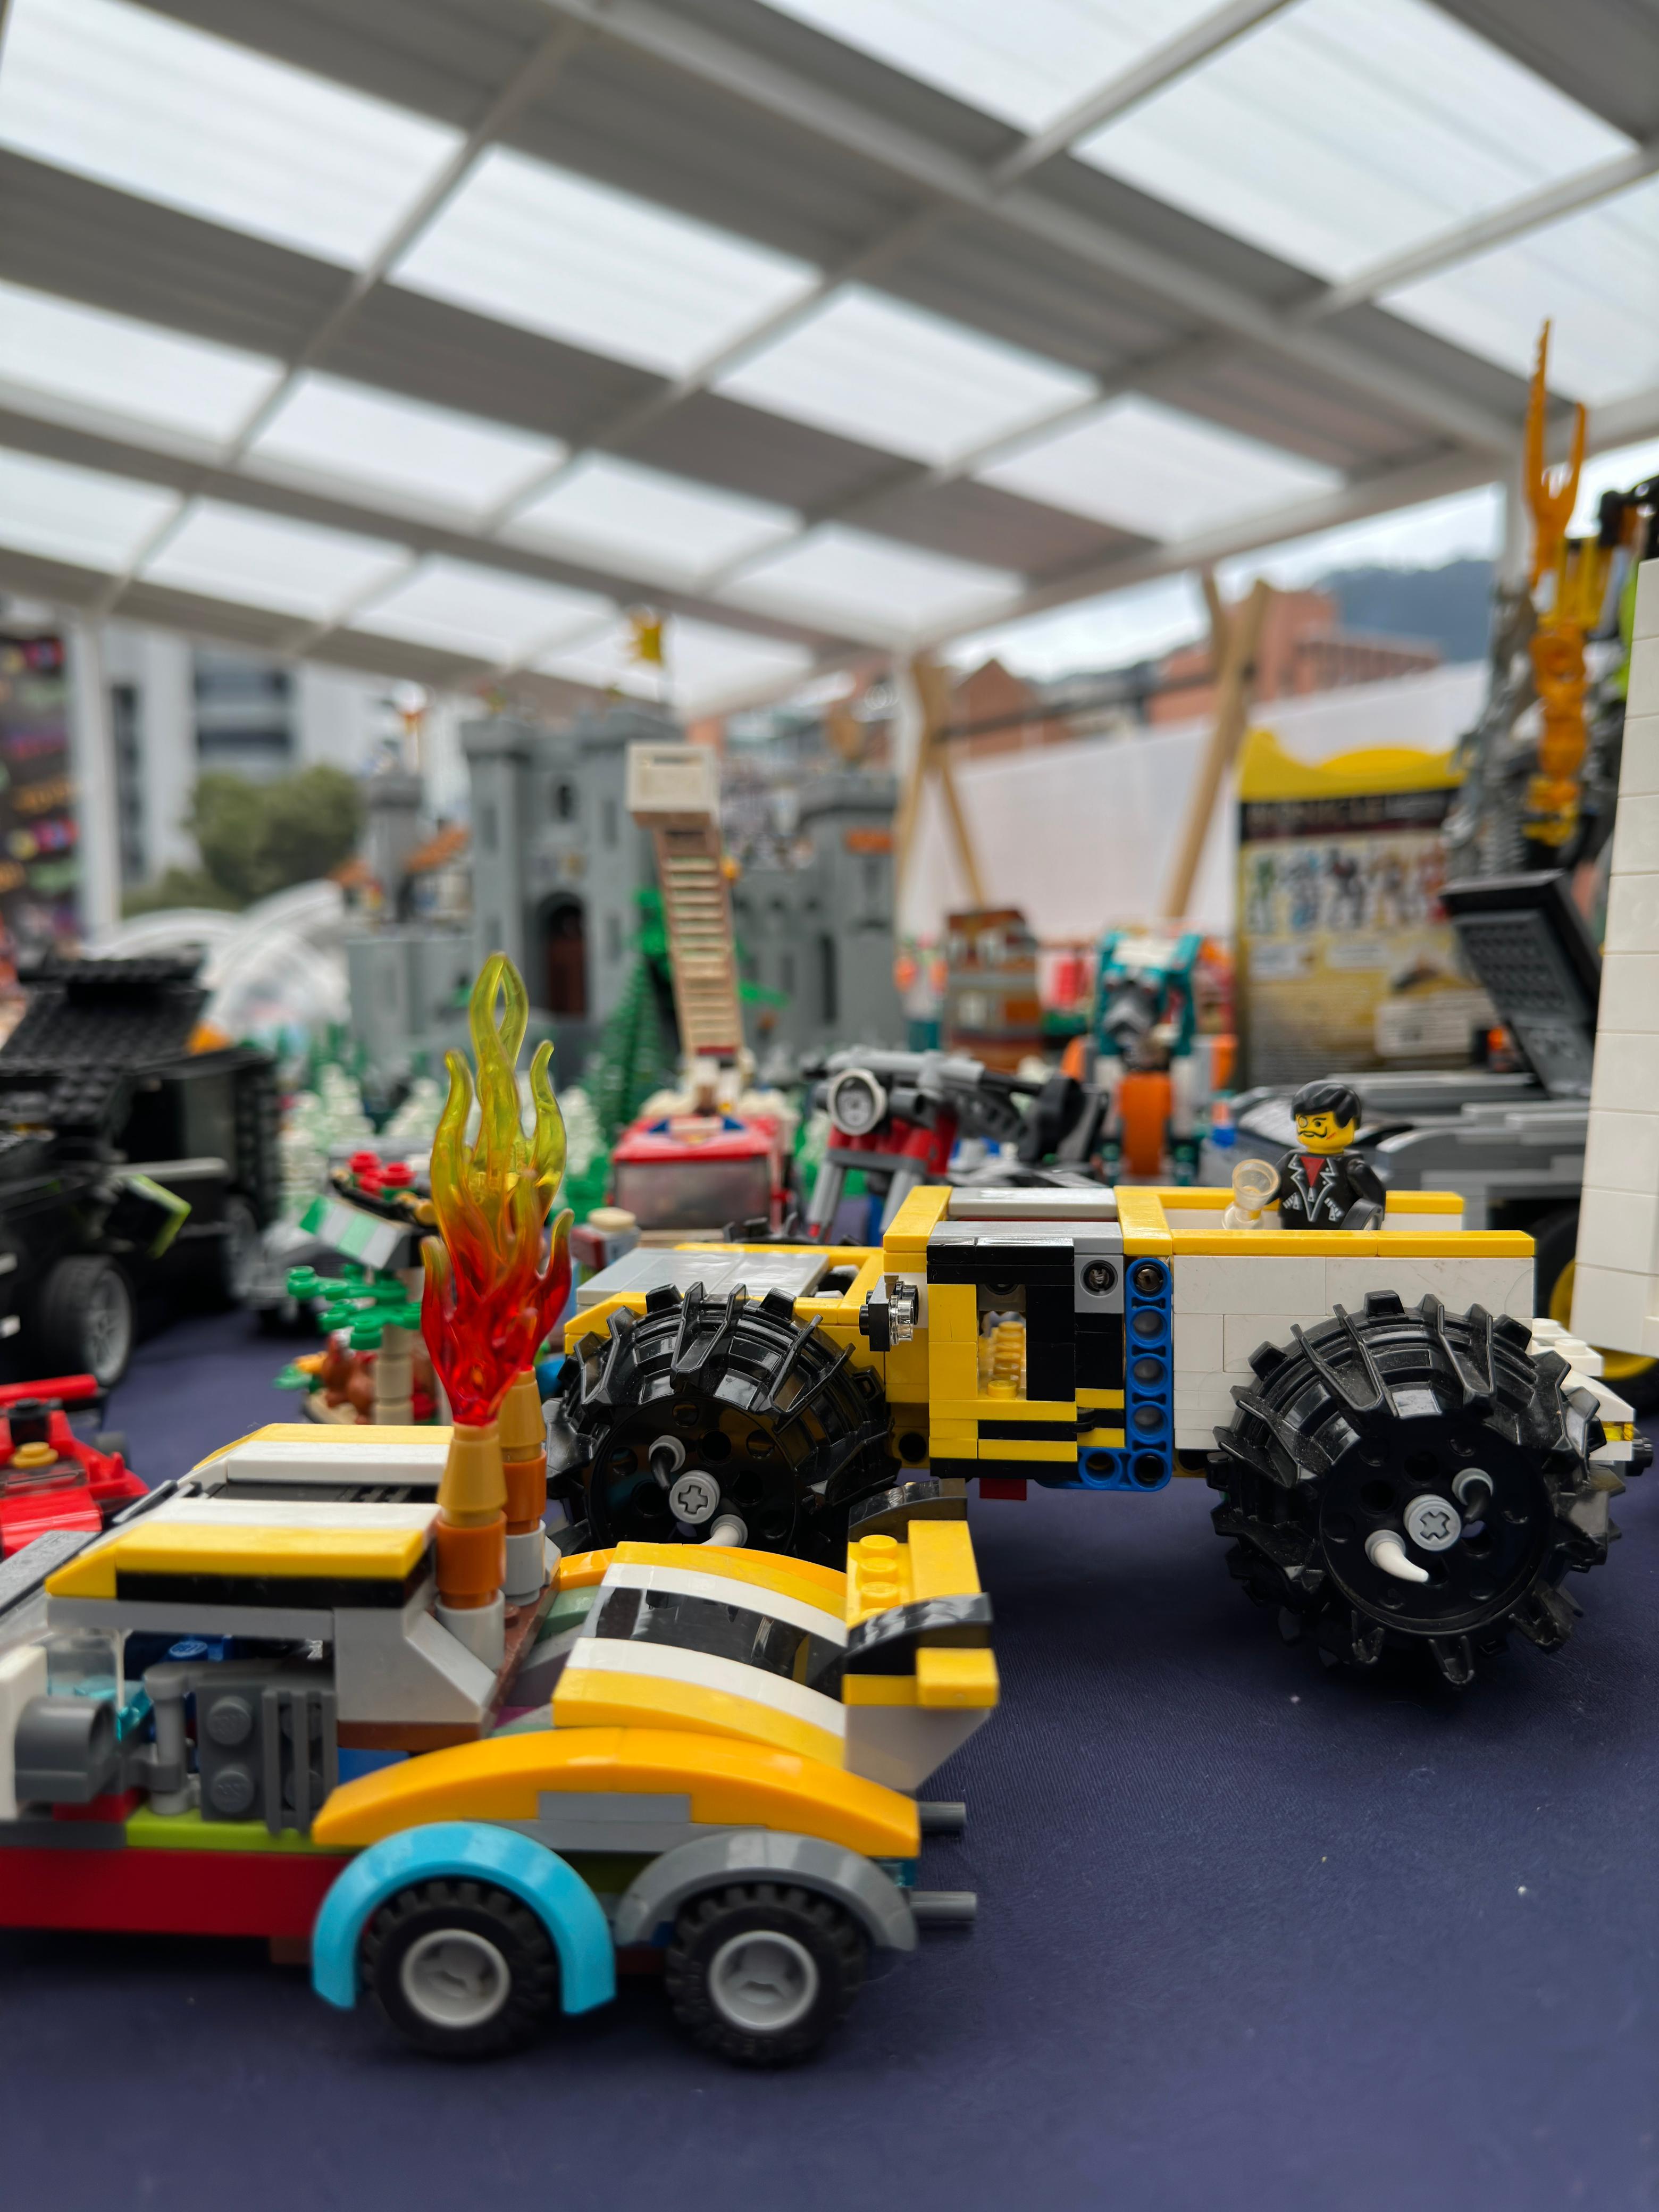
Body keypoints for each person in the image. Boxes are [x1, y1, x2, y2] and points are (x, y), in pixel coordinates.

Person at [1276, 1079, 1385, 1230]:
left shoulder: (1354, 1168)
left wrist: (1356, 1231)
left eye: (1319, 1124)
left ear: (1350, 1123)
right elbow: (1270, 1188)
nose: (1309, 1129)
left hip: (1337, 1238)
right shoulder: (1290, 1162)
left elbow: (1376, 1205)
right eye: (1303, 1122)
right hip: (1292, 1234)